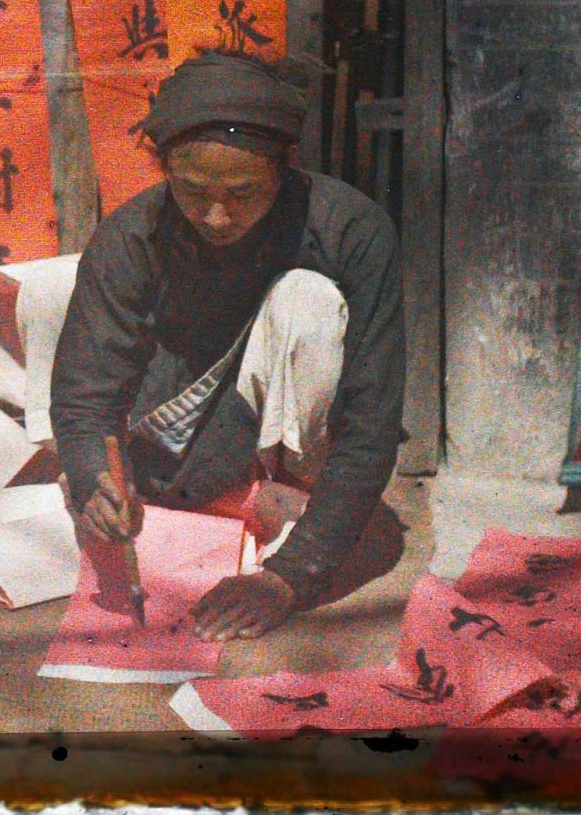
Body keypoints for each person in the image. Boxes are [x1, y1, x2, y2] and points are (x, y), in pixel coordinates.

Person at [50, 50, 404, 643]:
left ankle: (295, 494)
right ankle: (241, 498)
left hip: (297, 442)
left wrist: (289, 577)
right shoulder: (130, 237)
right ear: (164, 168)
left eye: (244, 193)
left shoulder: (352, 230)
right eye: (192, 191)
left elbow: (373, 418)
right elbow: (86, 393)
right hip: (185, 430)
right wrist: (94, 479)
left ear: (286, 169)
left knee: (309, 299)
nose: (217, 216)